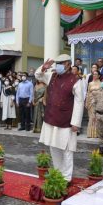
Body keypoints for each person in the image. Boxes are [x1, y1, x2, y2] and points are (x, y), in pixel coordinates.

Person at [35, 54, 84, 182]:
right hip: (51, 117)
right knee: (53, 146)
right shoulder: (52, 75)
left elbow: (79, 102)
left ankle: (66, 178)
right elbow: (37, 75)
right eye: (57, 63)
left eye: (60, 63)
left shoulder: (76, 80)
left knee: (67, 149)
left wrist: (76, 123)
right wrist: (43, 67)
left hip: (66, 120)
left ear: (68, 64)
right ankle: (57, 174)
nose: (57, 66)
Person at [85, 70, 101, 138]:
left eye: (96, 74)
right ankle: (90, 134)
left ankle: (97, 133)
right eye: (93, 74)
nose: (94, 75)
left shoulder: (101, 83)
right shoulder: (90, 83)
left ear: (99, 76)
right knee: (91, 117)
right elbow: (88, 93)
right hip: (90, 102)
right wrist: (87, 102)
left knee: (97, 117)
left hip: (98, 102)